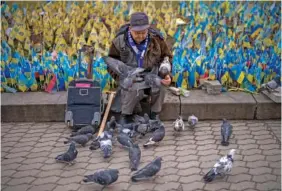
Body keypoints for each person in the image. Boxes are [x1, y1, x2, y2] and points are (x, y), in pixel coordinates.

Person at [107, 12, 173, 124]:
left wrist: (167, 75)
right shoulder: (119, 41)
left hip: (152, 74)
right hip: (132, 77)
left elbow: (166, 57)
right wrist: (123, 79)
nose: (141, 36)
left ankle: (154, 115)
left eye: (143, 32)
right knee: (133, 88)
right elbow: (111, 64)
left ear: (148, 29)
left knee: (160, 85)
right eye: (137, 33)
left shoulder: (157, 39)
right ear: (130, 28)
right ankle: (126, 115)